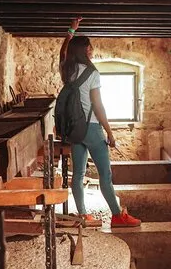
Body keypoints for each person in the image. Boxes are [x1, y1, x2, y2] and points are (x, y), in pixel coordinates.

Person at [59, 17, 141, 228]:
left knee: (78, 174)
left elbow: (63, 52)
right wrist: (109, 132)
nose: (92, 50)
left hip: (74, 129)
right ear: (85, 51)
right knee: (105, 174)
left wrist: (70, 32)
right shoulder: (92, 73)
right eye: (90, 47)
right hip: (92, 129)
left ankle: (83, 215)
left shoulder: (67, 70)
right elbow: (98, 106)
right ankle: (117, 216)